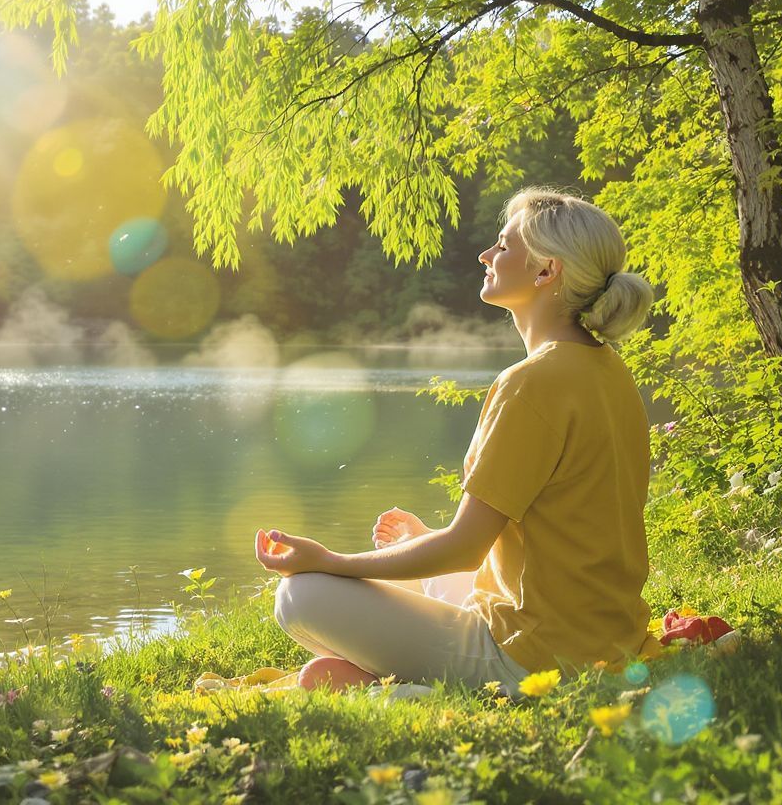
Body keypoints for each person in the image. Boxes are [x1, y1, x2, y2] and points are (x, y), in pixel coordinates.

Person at [254, 188, 661, 695]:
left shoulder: (532, 382)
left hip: (534, 658)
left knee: (300, 595)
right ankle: (392, 665)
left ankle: (403, 689)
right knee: (404, 569)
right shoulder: (607, 370)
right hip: (604, 639)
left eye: (503, 246)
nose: (485, 255)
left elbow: (465, 549)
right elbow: (555, 530)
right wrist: (427, 541)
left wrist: (327, 561)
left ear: (545, 272)